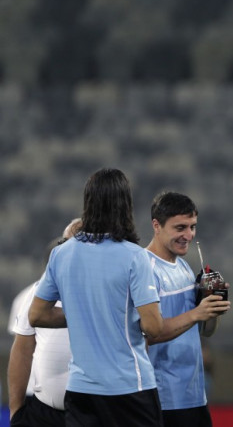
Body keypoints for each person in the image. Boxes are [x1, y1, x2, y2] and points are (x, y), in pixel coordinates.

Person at [29, 167, 164, 427]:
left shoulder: (61, 254)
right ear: (125, 205)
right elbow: (154, 327)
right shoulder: (135, 256)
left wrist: (86, 315)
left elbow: (37, 315)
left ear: (87, 204)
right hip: (129, 389)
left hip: (82, 391)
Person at [145, 192, 231, 427]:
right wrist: (196, 313)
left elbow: (206, 330)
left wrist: (212, 305)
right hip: (162, 398)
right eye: (180, 227)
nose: (189, 235)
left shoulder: (183, 266)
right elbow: (147, 333)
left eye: (192, 227)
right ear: (156, 225)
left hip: (193, 394)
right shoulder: (144, 269)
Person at [7, 218, 80, 426]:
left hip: (92, 413)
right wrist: (16, 411)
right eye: (64, 244)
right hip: (42, 411)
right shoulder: (37, 293)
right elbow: (21, 349)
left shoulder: (110, 289)